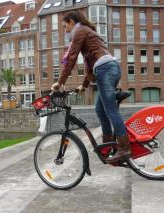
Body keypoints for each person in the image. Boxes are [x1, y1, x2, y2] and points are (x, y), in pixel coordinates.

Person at [51, 11, 131, 163]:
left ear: (72, 21)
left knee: (110, 110)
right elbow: (90, 63)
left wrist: (60, 82)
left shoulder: (79, 31)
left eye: (64, 25)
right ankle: (108, 145)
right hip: (108, 68)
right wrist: (83, 85)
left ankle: (124, 148)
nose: (64, 29)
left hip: (105, 69)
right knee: (100, 110)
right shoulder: (85, 31)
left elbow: (72, 58)